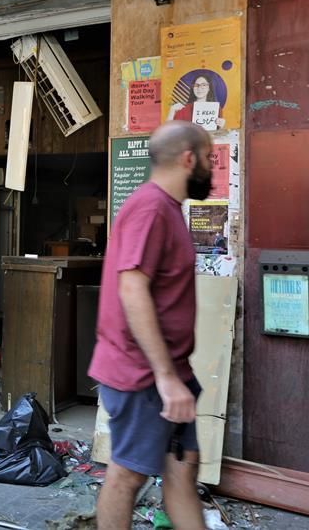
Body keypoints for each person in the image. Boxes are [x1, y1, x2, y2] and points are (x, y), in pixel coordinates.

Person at [88, 121, 213, 529]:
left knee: (182, 468)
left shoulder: (166, 208)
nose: (212, 167)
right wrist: (165, 377)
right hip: (140, 375)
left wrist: (174, 375)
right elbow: (132, 289)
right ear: (189, 159)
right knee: (128, 476)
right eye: (209, 158)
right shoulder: (151, 208)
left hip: (169, 373)